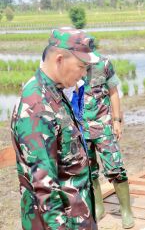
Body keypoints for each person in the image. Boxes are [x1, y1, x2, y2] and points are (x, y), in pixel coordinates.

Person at [10, 27, 99, 229]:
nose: (84, 74)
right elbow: (44, 189)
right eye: (81, 66)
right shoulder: (37, 106)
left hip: (78, 217)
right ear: (59, 59)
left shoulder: (54, 93)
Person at [82, 56, 134, 229]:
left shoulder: (103, 64)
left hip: (103, 126)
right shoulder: (71, 65)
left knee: (115, 167)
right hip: (81, 128)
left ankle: (126, 211)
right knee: (89, 170)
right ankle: (98, 206)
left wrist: (117, 120)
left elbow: (113, 92)